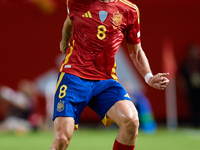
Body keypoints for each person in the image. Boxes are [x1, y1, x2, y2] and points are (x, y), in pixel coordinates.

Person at [50, 0, 169, 150]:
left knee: (131, 121)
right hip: (74, 76)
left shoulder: (129, 10)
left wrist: (149, 77)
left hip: (105, 80)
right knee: (62, 139)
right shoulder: (77, 2)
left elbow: (136, 51)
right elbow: (69, 22)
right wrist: (64, 40)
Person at [181, 43, 200, 128]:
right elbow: (181, 77)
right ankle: (194, 122)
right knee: (193, 106)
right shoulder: (186, 64)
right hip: (191, 89)